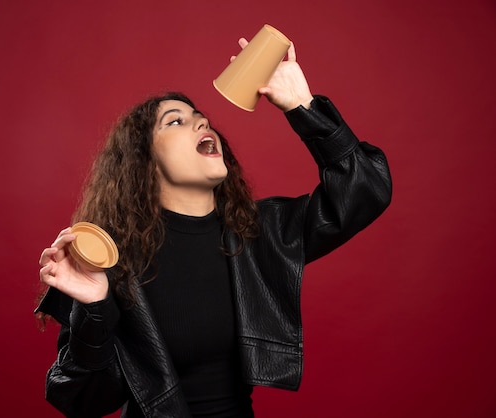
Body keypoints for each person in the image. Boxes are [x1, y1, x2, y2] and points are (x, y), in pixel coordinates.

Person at [35, 37, 392, 418]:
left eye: (199, 116)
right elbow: (79, 400)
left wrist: (303, 107)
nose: (202, 120)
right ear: (144, 163)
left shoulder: (262, 233)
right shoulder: (110, 258)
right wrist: (95, 310)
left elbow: (367, 190)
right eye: (176, 120)